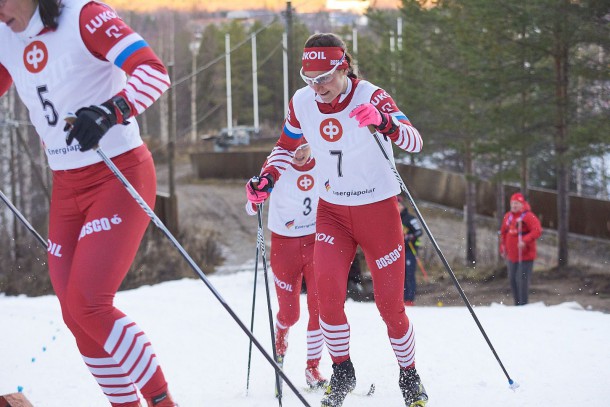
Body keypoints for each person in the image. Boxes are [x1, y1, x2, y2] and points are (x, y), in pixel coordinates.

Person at [1, 1, 176, 405]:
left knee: (89, 303)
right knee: (75, 315)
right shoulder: (6, 35)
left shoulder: (83, 15)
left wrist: (112, 110)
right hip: (65, 184)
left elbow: (153, 71)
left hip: (118, 173)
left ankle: (163, 401)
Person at [246, 33, 428, 407]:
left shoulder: (370, 95)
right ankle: (342, 372)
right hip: (331, 214)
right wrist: (267, 178)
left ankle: (409, 376)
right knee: (325, 301)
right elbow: (285, 147)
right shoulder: (302, 102)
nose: (317, 87)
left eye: (325, 77)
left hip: (376, 210)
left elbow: (414, 140)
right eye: (309, 78)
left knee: (390, 307)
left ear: (343, 67)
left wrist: (384, 123)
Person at [245, 143, 328, 390]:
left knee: (320, 308)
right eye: (295, 148)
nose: (299, 153)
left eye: (304, 147)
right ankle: (280, 348)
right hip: (284, 245)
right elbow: (251, 208)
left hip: (316, 242)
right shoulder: (275, 165)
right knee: (290, 314)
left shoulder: (323, 159)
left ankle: (313, 368)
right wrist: (252, 195)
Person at [499, 192, 542, 306]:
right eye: (512, 203)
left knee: (522, 280)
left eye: (517, 203)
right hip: (512, 255)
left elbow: (537, 230)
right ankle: (516, 304)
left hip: (525, 255)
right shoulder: (508, 216)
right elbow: (503, 233)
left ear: (522, 204)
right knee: (512, 280)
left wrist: (525, 240)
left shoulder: (528, 216)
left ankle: (523, 305)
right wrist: (502, 247)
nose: (514, 205)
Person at [397, 196, 423, 307]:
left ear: (402, 206)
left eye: (398, 205)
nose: (397, 207)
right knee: (400, 275)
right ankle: (401, 298)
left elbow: (419, 231)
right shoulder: (393, 218)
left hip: (410, 250)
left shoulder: (409, 218)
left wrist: (410, 236)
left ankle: (409, 299)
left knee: (409, 274)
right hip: (398, 251)